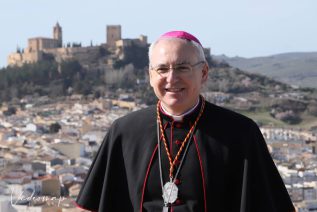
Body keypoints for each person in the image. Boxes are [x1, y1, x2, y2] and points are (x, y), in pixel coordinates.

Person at [76, 31, 295, 212]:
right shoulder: (124, 131)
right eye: (162, 69)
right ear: (150, 76)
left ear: (204, 73)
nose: (171, 78)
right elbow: (90, 207)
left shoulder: (241, 133)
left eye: (183, 68)